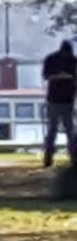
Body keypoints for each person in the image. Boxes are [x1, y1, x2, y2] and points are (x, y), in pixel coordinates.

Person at [41, 39, 77, 169]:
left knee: (52, 130)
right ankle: (74, 158)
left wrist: (57, 77)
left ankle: (48, 159)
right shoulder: (73, 60)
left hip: (53, 99)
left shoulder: (50, 59)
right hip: (68, 100)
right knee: (70, 130)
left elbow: (46, 76)